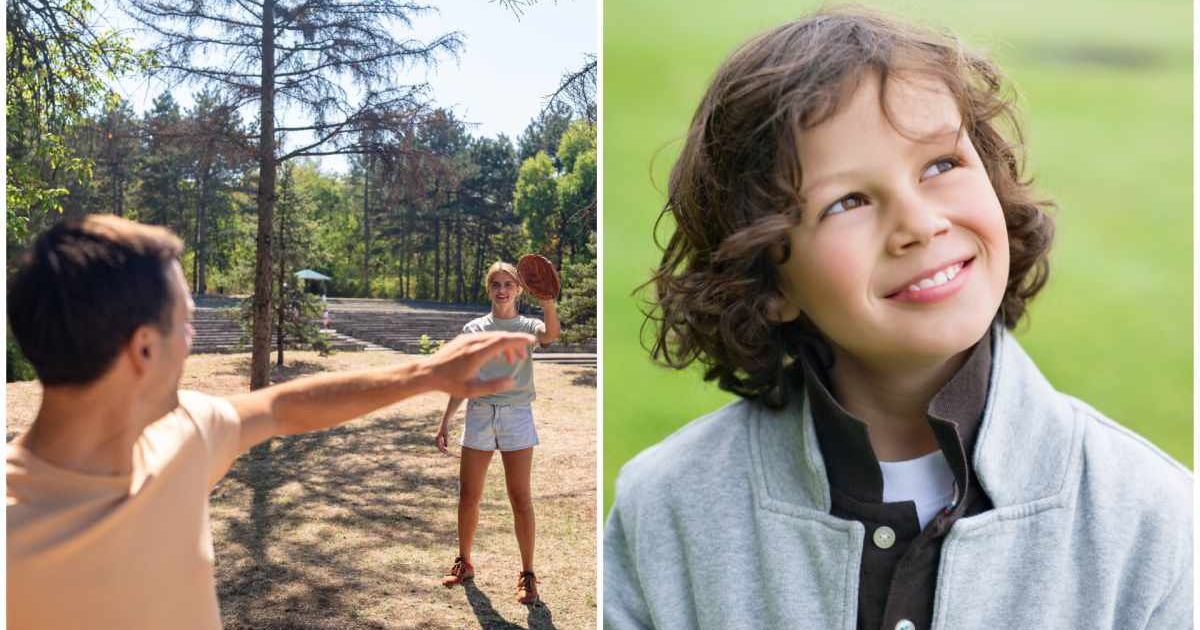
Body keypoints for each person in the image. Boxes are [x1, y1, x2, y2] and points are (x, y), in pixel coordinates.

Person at [604, 9, 1191, 630]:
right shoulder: (664, 510)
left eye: (940, 166)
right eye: (847, 202)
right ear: (768, 281)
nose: (919, 224)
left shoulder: (1154, 522)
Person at [6, 215, 536, 630]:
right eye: (186, 323)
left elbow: (283, 407)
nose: (192, 339)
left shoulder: (181, 434)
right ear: (144, 349)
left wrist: (428, 373)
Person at [435, 261, 560, 605]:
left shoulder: (528, 326)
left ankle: (528, 574)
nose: (502, 290)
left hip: (516, 416)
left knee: (520, 498)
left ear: (519, 289)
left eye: (508, 284)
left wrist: (548, 301)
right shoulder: (474, 329)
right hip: (479, 414)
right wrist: (445, 421)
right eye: (496, 285)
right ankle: (464, 562)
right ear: (488, 289)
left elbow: (550, 334)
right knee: (468, 496)